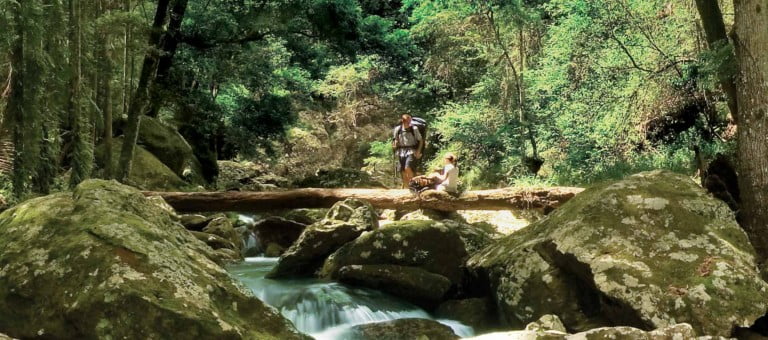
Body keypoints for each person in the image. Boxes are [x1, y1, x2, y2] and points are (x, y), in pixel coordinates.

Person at [392, 114, 424, 188]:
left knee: (408, 168)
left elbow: (421, 140)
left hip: (411, 151)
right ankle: (406, 187)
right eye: (408, 121)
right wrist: (395, 144)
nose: (410, 122)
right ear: (403, 121)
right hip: (401, 152)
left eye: (410, 120)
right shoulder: (398, 129)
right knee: (402, 170)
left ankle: (413, 185)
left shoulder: (414, 129)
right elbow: (396, 139)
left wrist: (418, 151)